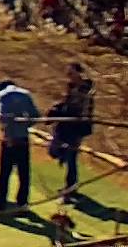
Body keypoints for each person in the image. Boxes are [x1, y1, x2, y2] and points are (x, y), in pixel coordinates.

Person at [49, 63, 95, 203]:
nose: (69, 76)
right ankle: (70, 186)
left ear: (78, 73)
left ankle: (70, 189)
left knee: (71, 157)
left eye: (71, 73)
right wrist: (56, 109)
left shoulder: (86, 89)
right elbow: (66, 103)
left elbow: (82, 110)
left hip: (76, 128)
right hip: (65, 126)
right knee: (55, 150)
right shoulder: (71, 87)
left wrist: (77, 121)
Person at [0, 80, 40, 212]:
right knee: (24, 173)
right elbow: (35, 115)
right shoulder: (25, 94)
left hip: (8, 139)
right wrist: (24, 126)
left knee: (4, 173)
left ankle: (0, 204)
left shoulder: (1, 95)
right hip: (23, 139)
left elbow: (2, 118)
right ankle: (22, 203)